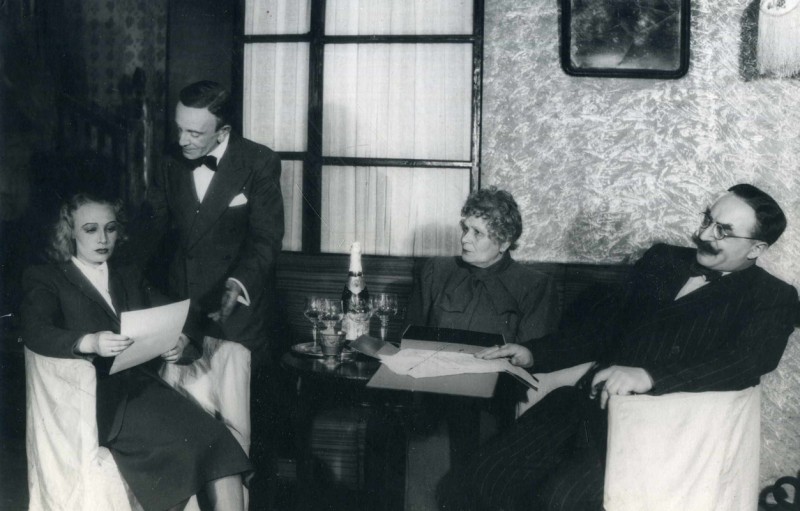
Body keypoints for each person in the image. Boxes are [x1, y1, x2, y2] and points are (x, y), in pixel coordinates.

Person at [437, 184, 799, 511]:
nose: (702, 234)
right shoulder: (663, 260)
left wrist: (648, 376)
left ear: (757, 247)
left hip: (657, 433)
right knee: (478, 479)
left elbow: (746, 361)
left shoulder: (772, 297)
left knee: (559, 500)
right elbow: (602, 328)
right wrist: (533, 352)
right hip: (583, 406)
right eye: (707, 219)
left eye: (722, 230)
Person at [21, 192, 252, 511]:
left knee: (219, 439)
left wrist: (181, 340)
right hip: (97, 402)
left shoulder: (127, 276)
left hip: (147, 391)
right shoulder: (48, 278)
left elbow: (181, 315)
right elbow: (34, 331)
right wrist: (89, 342)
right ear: (70, 231)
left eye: (110, 228)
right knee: (186, 450)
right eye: (90, 229)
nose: (103, 239)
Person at [133, 80, 284, 455]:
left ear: (224, 131)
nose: (182, 140)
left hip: (235, 319)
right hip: (183, 313)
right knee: (180, 430)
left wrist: (238, 282)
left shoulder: (259, 162)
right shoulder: (171, 161)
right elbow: (150, 230)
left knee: (234, 436)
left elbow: (266, 239)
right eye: (179, 128)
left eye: (194, 133)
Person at [408, 186, 559, 343]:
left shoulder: (535, 286)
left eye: (477, 233)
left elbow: (531, 352)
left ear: (504, 242)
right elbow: (409, 340)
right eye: (465, 229)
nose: (464, 239)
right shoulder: (436, 271)